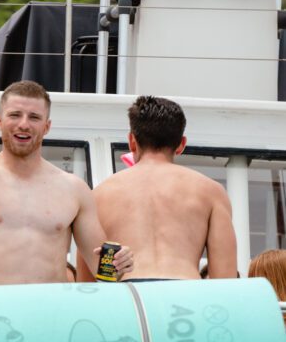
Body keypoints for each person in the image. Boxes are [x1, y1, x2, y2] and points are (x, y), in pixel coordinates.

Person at [0, 4, 133, 285]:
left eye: (34, 117)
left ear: (47, 126)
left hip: (50, 318)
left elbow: (100, 268)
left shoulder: (74, 189)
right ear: (0, 120)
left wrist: (118, 264)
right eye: (15, 115)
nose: (23, 124)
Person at [78, 95, 237, 281]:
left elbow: (87, 281)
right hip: (186, 295)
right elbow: (225, 279)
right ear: (181, 144)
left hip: (130, 297)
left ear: (131, 141)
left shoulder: (98, 195)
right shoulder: (211, 192)